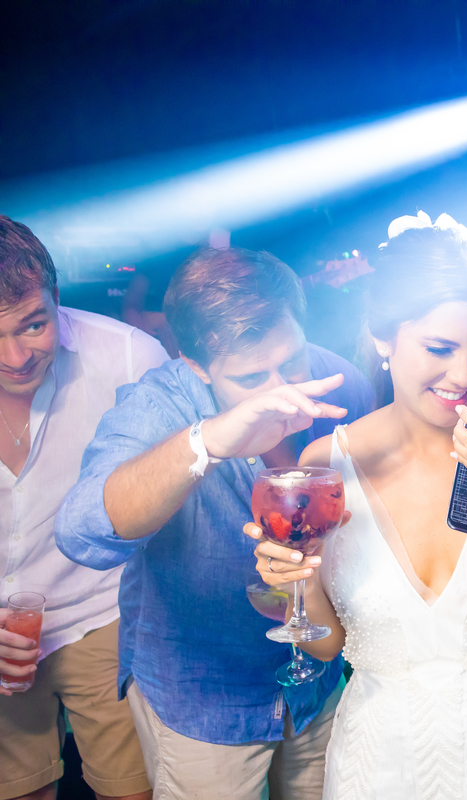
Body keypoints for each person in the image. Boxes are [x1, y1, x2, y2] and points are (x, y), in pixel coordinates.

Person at [246, 214, 467, 799]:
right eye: (439, 348)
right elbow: (327, 645)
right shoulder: (325, 465)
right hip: (380, 765)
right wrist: (291, 584)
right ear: (383, 337)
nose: (464, 374)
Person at [55, 247, 374, 800]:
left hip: (320, 681)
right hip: (206, 694)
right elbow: (82, 534)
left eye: (292, 361)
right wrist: (208, 441)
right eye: (251, 377)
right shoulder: (158, 406)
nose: (281, 390)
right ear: (197, 365)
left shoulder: (341, 382)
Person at [0, 218, 165, 800]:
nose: (15, 357)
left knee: (133, 790)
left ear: (56, 297)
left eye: (33, 325)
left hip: (105, 612)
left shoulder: (129, 356)